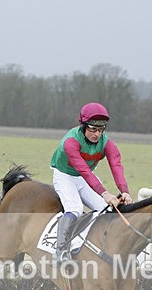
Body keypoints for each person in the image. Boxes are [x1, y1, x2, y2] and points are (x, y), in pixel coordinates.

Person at [49, 102, 133, 263]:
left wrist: (124, 191)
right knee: (75, 209)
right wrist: (105, 193)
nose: (97, 134)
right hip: (65, 176)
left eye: (101, 129)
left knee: (108, 210)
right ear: (83, 126)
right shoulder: (71, 141)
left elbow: (116, 165)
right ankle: (60, 251)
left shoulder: (107, 143)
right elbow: (84, 170)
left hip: (85, 178)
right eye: (92, 129)